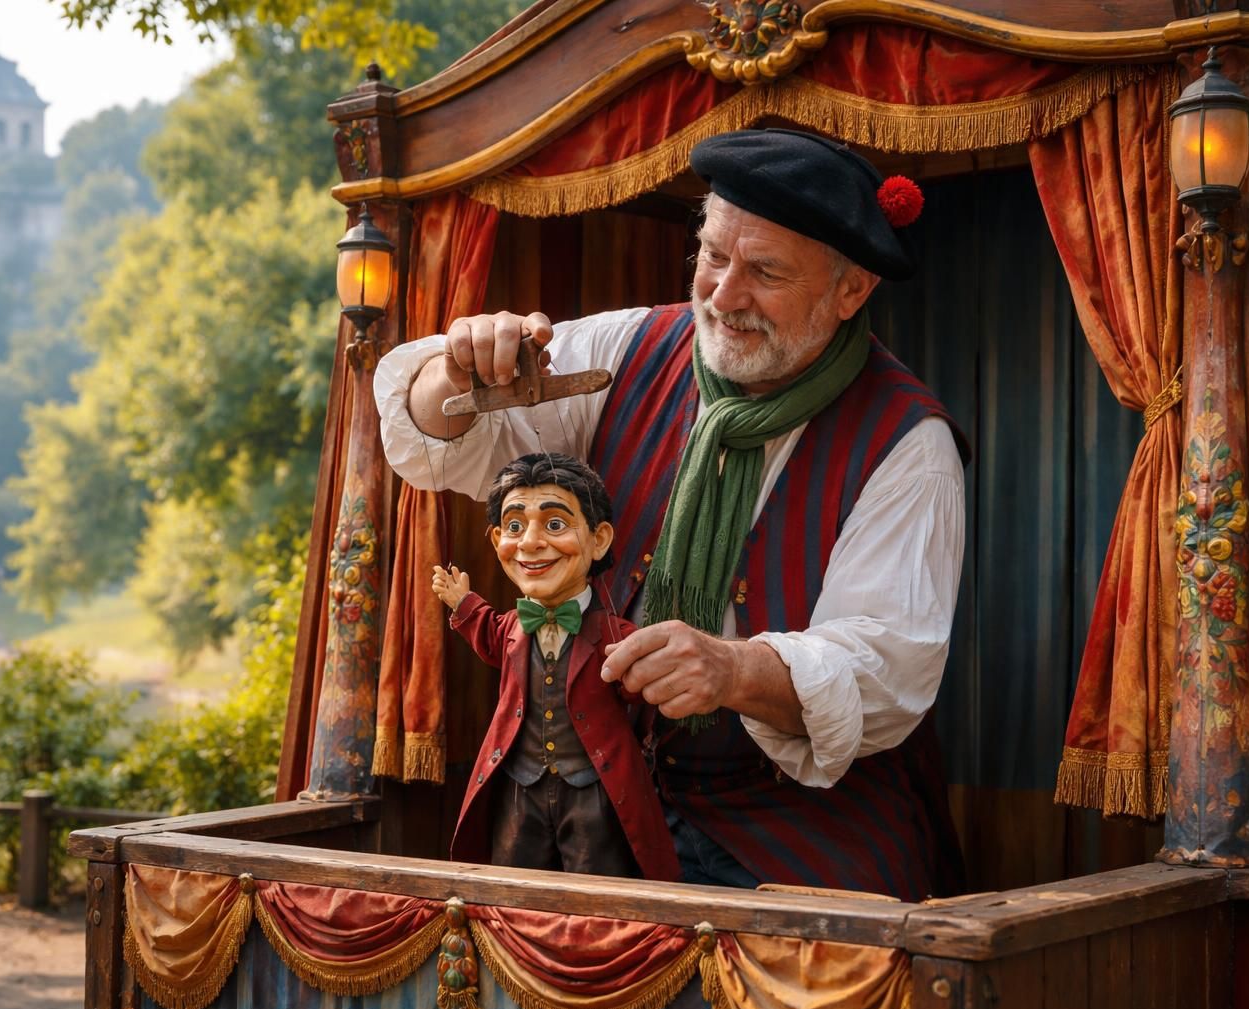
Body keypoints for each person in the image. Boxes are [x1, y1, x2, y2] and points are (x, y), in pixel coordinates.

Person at [374, 128, 967, 900]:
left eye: (765, 271)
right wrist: (453, 368)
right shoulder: (635, 347)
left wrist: (731, 669)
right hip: (609, 796)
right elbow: (451, 438)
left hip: (800, 833)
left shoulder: (908, 444)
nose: (722, 297)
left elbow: (882, 668)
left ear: (850, 290)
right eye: (715, 256)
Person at [431, 452, 680, 882]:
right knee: (514, 883)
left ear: (599, 539)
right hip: (517, 786)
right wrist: (462, 604)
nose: (529, 543)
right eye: (513, 527)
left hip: (592, 790)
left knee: (595, 884)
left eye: (554, 524)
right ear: (496, 541)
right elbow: (488, 634)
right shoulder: (511, 628)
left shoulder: (613, 633)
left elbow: (642, 689)